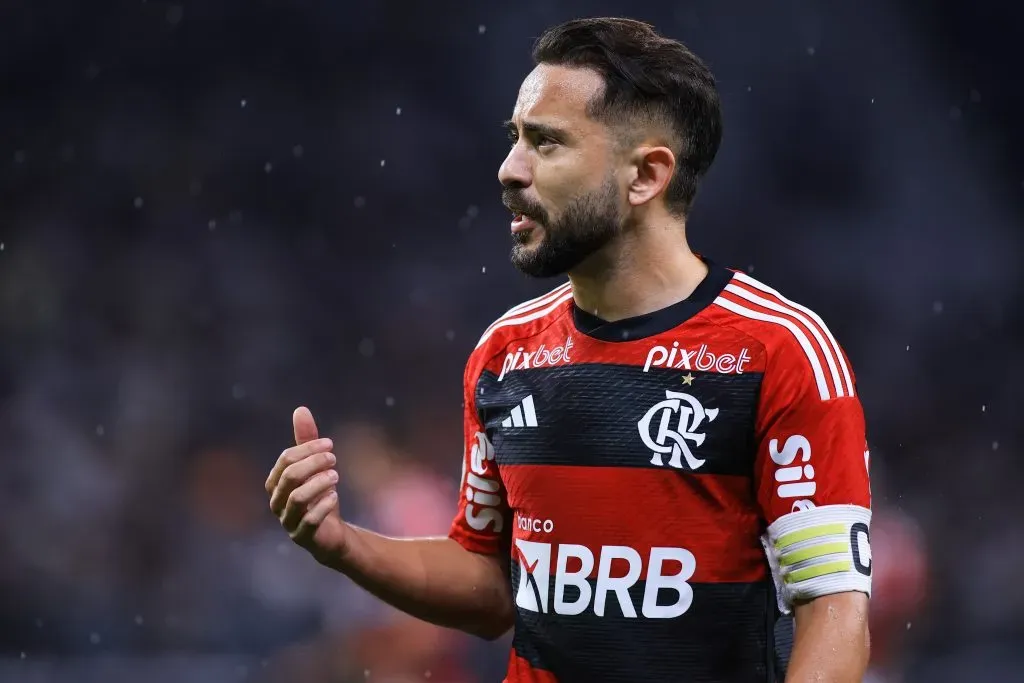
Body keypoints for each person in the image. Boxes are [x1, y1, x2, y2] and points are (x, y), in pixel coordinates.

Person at [265, 16, 873, 683]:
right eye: (514, 140)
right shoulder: (505, 352)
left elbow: (834, 610)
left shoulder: (778, 350)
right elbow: (492, 584)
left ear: (646, 175)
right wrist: (344, 545)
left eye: (546, 144)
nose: (508, 170)